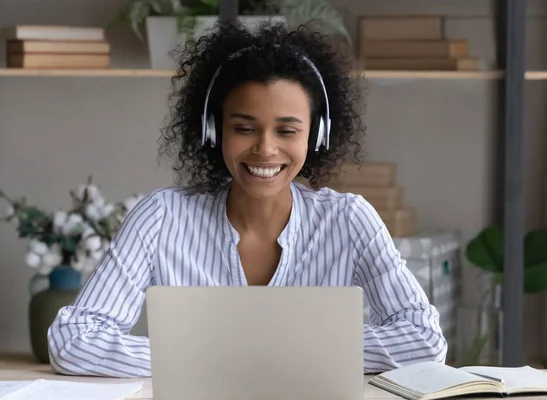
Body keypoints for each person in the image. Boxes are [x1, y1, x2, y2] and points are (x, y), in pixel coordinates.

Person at [47, 20, 447, 378]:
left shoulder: (349, 220)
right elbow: (73, 340)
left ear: (317, 136)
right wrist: (231, 358)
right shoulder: (162, 217)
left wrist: (276, 357)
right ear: (213, 130)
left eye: (287, 131)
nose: (265, 149)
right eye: (244, 128)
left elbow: (424, 340)